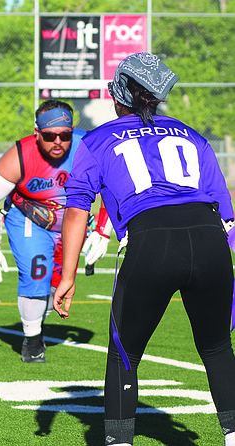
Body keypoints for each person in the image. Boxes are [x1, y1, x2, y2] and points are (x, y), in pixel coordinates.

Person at [54, 52, 235, 446]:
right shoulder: (191, 134)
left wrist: (67, 276)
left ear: (118, 96)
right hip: (208, 237)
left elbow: (76, 209)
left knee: (124, 354)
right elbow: (226, 210)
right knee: (218, 347)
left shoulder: (97, 139)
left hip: (152, 239)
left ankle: (119, 441)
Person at [0, 99, 109, 363]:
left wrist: (103, 231)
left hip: (72, 224)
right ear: (37, 133)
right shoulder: (20, 156)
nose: (58, 141)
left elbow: (113, 187)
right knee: (36, 275)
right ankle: (33, 342)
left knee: (57, 287)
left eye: (65, 135)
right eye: (50, 135)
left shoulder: (90, 146)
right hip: (29, 219)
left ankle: (36, 322)